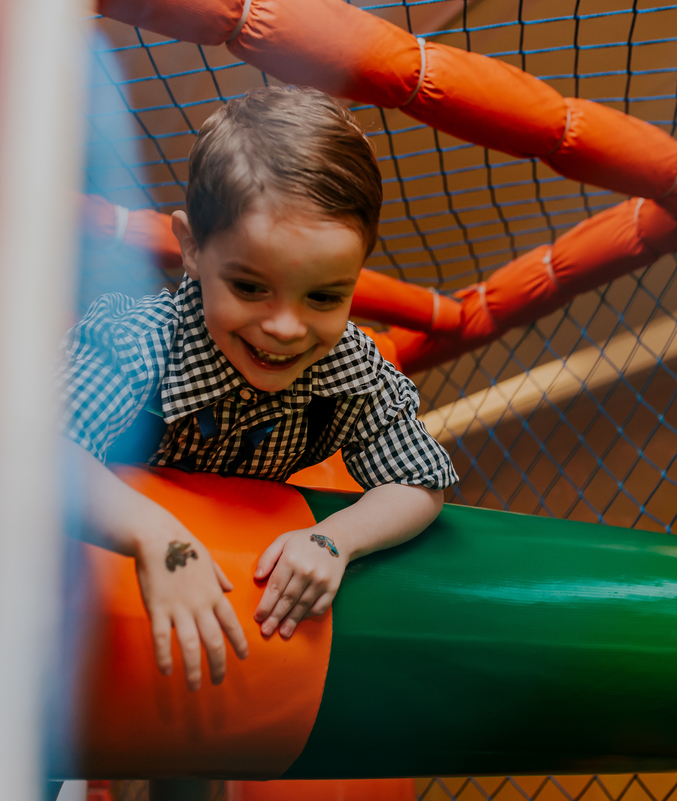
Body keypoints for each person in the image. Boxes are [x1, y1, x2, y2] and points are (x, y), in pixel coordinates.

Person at [58, 86, 457, 695]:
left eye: (323, 297)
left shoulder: (345, 367)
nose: (285, 328)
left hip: (216, 625)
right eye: (249, 288)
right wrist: (157, 536)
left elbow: (421, 479)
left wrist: (336, 538)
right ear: (192, 248)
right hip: (78, 589)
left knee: (195, 737)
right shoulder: (137, 345)